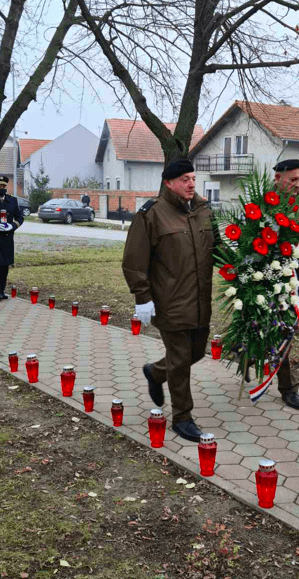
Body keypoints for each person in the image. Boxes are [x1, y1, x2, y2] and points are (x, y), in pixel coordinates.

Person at [123, 159, 216, 442]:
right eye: (184, 179)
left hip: (200, 301)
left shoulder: (203, 211)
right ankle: (182, 418)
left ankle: (155, 372)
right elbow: (134, 261)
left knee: (196, 352)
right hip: (169, 301)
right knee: (180, 359)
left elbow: (218, 249)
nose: (191, 184)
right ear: (169, 183)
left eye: (193, 178)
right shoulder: (152, 214)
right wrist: (142, 297)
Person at [268, 159, 299, 411]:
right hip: (271, 280)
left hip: (297, 279)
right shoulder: (265, 204)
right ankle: (288, 388)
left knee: (286, 333)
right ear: (278, 179)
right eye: (293, 179)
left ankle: (249, 356)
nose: (297, 184)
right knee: (282, 332)